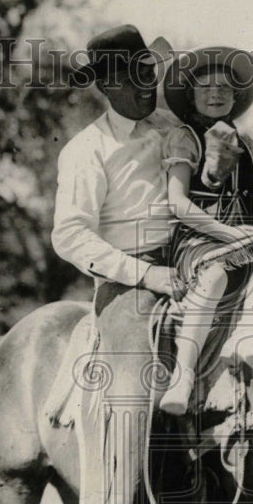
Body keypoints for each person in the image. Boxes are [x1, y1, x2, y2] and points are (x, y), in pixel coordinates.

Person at [156, 47, 253, 415]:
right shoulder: (185, 137)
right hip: (198, 243)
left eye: (225, 88)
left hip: (242, 240)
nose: (216, 94)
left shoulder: (244, 143)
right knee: (213, 276)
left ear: (235, 97)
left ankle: (246, 334)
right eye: (206, 87)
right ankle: (183, 374)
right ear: (191, 94)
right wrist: (228, 234)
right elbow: (177, 203)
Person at [52, 24, 191, 307]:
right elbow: (69, 234)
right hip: (129, 286)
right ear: (105, 87)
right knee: (141, 349)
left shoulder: (176, 126)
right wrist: (146, 274)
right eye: (129, 79)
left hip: (195, 260)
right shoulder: (87, 149)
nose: (145, 86)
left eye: (147, 73)